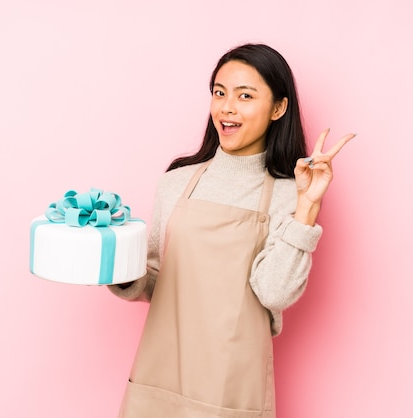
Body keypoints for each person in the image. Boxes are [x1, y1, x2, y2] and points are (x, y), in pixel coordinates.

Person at [108, 43, 355, 417]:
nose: (227, 107)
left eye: (245, 96)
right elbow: (160, 277)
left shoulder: (290, 193)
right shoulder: (176, 182)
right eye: (220, 93)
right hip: (161, 375)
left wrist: (307, 207)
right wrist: (116, 264)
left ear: (278, 108)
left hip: (231, 387)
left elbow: (274, 293)